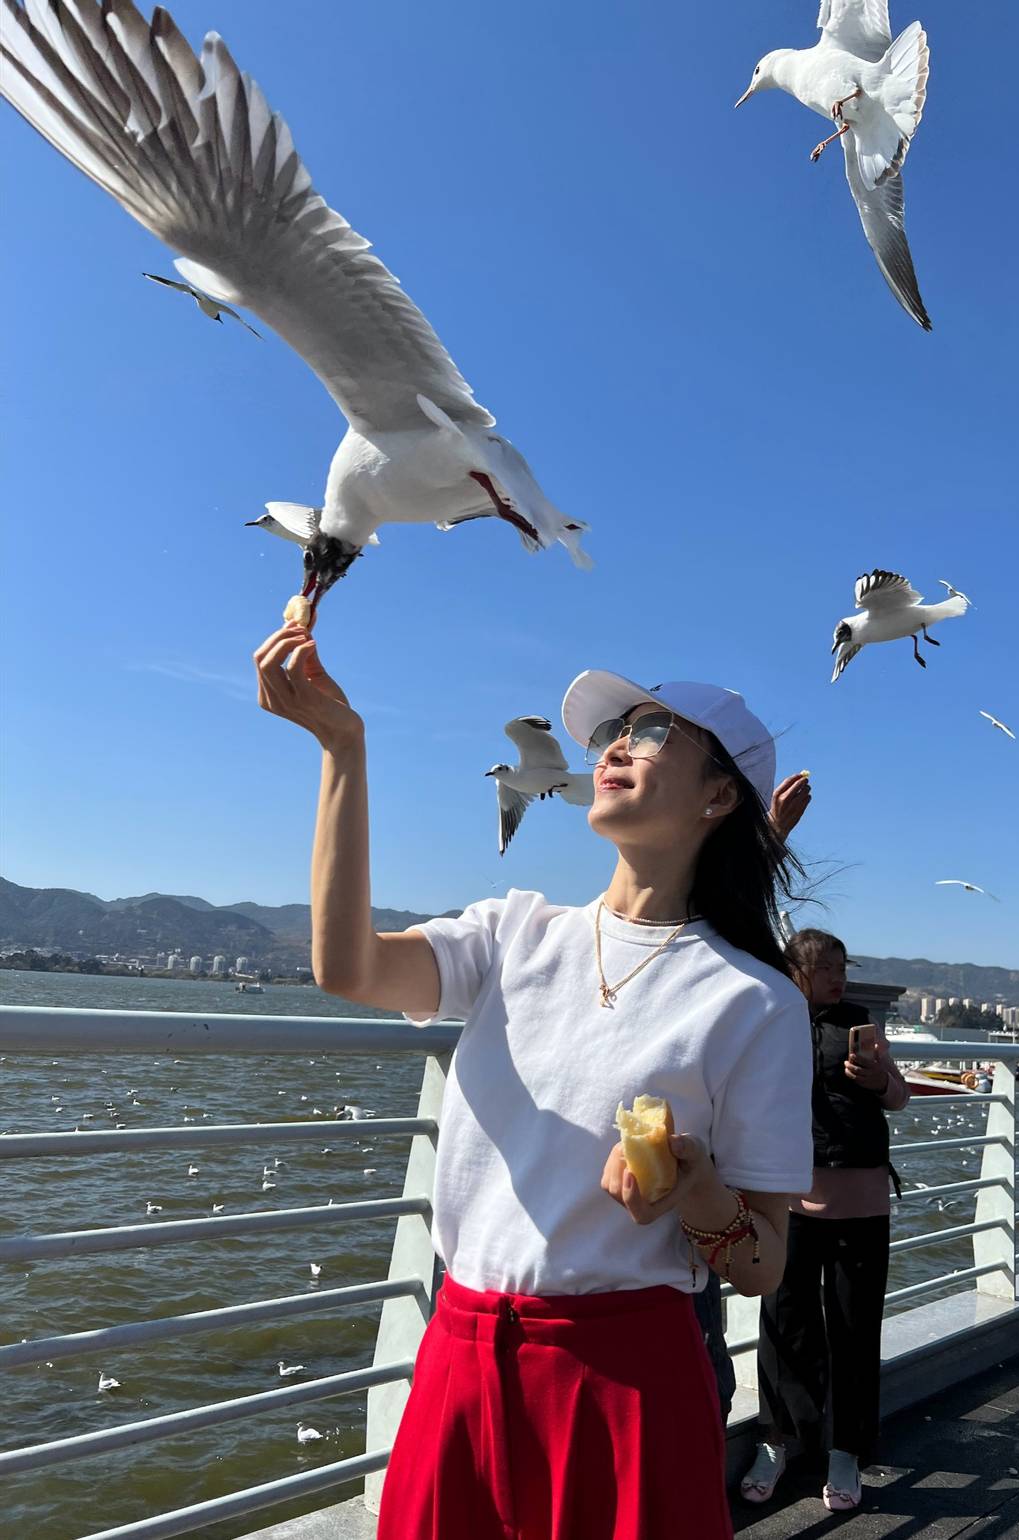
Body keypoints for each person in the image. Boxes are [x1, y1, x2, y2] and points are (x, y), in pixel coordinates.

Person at [254, 623, 814, 1540]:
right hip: (463, 1357)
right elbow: (347, 967)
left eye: (656, 732)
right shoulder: (514, 932)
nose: (618, 746)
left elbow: (761, 1263)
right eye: (614, 732)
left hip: (627, 1379)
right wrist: (342, 751)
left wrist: (692, 1184)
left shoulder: (755, 1001)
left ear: (722, 796)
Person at [741, 928, 909, 1513]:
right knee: (784, 1321)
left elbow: (900, 1096)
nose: (839, 976)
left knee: (854, 1325)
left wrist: (878, 1079)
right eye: (826, 967)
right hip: (786, 1197)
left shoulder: (860, 1021)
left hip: (861, 1196)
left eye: (843, 964)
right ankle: (778, 1440)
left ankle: (846, 1451)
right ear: (795, 972)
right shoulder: (768, 1016)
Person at [691, 771, 814, 1425]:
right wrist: (768, 836)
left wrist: (769, 836)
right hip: (663, 1255)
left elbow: (713, 922)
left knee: (699, 1362)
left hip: (687, 1235)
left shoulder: (754, 996)